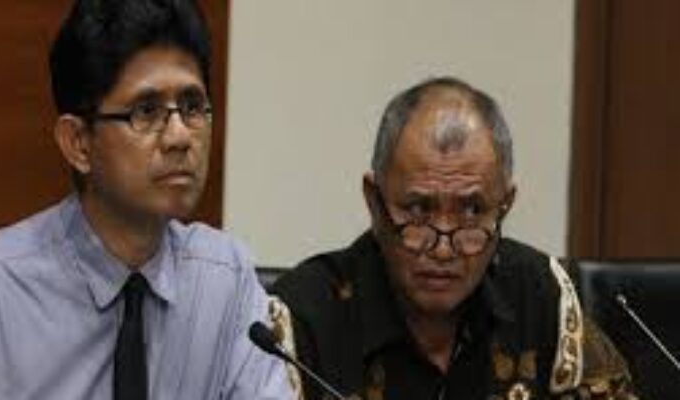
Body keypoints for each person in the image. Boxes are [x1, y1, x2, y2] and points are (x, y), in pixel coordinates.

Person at [0, 0, 296, 399]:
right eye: (146, 111)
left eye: (192, 106)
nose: (179, 137)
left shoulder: (226, 280)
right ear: (78, 143)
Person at [272, 77, 636, 399]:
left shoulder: (539, 293)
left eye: (473, 211)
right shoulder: (302, 318)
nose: (444, 249)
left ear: (504, 206)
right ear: (374, 201)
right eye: (418, 210)